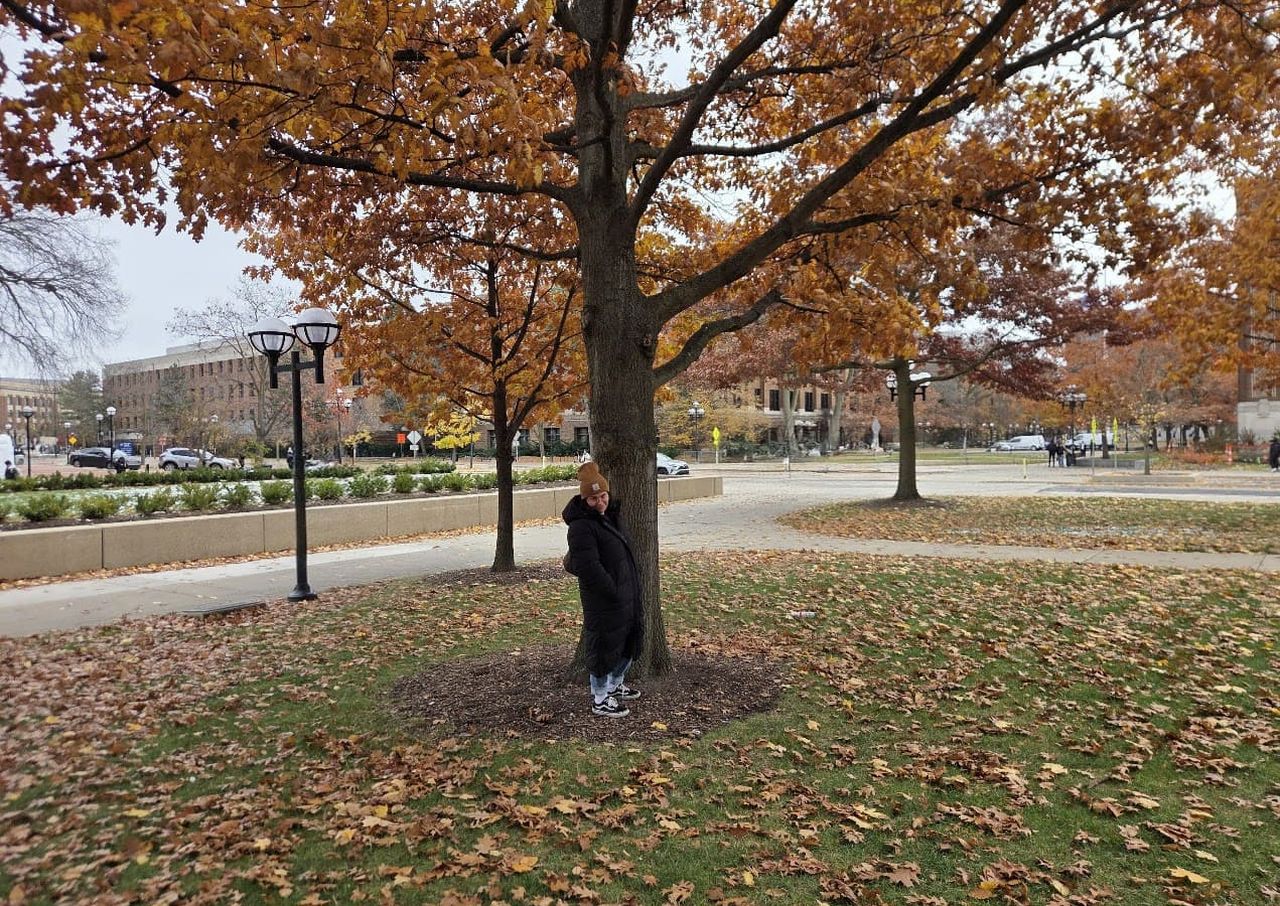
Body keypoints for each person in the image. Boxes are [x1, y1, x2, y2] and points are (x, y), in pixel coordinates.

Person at [562, 461, 643, 718]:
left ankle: (614, 685)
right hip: (604, 600)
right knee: (603, 648)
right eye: (594, 498)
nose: (600, 502)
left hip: (625, 595)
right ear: (585, 499)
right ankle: (599, 698)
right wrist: (613, 590)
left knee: (628, 643)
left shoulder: (610, 517)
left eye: (603, 495)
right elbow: (588, 566)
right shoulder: (580, 527)